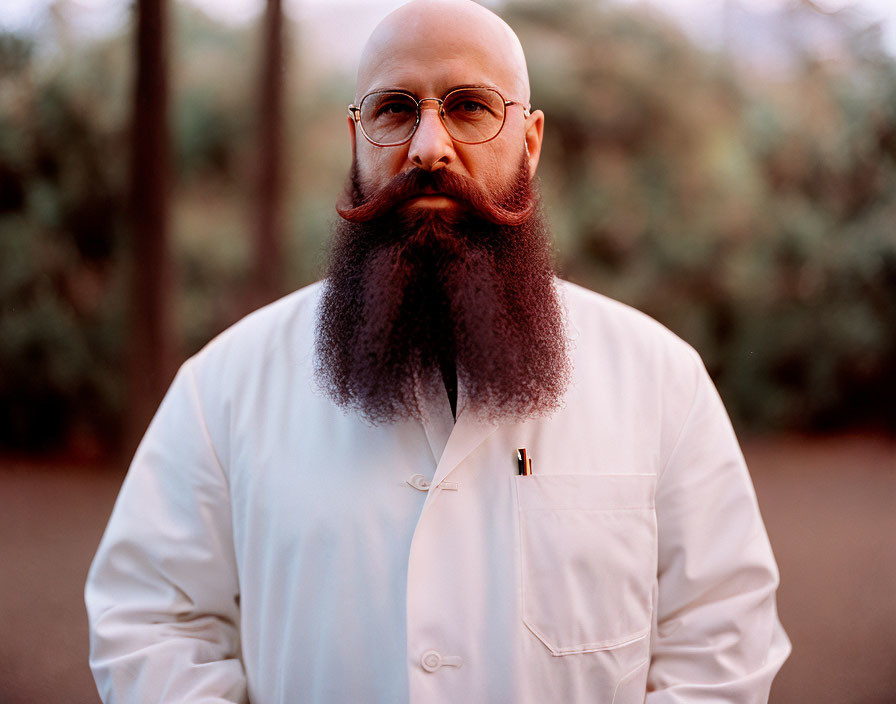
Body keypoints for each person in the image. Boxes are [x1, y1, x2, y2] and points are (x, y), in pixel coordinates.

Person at [85, 1, 791, 702]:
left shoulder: (660, 380)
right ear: (355, 136)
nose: (428, 146)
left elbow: (721, 644)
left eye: (469, 107)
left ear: (532, 140)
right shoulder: (225, 388)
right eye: (395, 109)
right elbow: (151, 621)